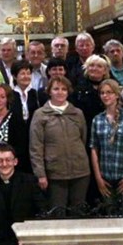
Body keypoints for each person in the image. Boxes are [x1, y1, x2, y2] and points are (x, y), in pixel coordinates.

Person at [30, 77, 90, 209]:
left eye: (64, 89)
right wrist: (40, 174)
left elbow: (83, 139)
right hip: (55, 173)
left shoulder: (77, 113)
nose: (60, 92)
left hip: (80, 171)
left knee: (79, 211)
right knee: (58, 213)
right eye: (56, 89)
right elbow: (36, 147)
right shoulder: (40, 115)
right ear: (49, 91)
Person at [90, 80, 123, 217]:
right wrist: (98, 178)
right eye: (102, 93)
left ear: (117, 95)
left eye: (109, 92)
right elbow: (94, 149)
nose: (105, 96)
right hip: (106, 178)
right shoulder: (97, 120)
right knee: (109, 216)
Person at [70, 54, 110, 137]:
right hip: (85, 130)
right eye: (91, 65)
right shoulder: (77, 88)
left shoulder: (111, 87)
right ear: (86, 68)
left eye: (99, 66)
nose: (95, 68)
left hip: (107, 130)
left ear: (105, 70)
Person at [11, 60, 41, 124]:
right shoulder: (10, 95)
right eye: (22, 73)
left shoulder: (35, 94)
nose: (26, 76)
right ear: (14, 76)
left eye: (28, 73)